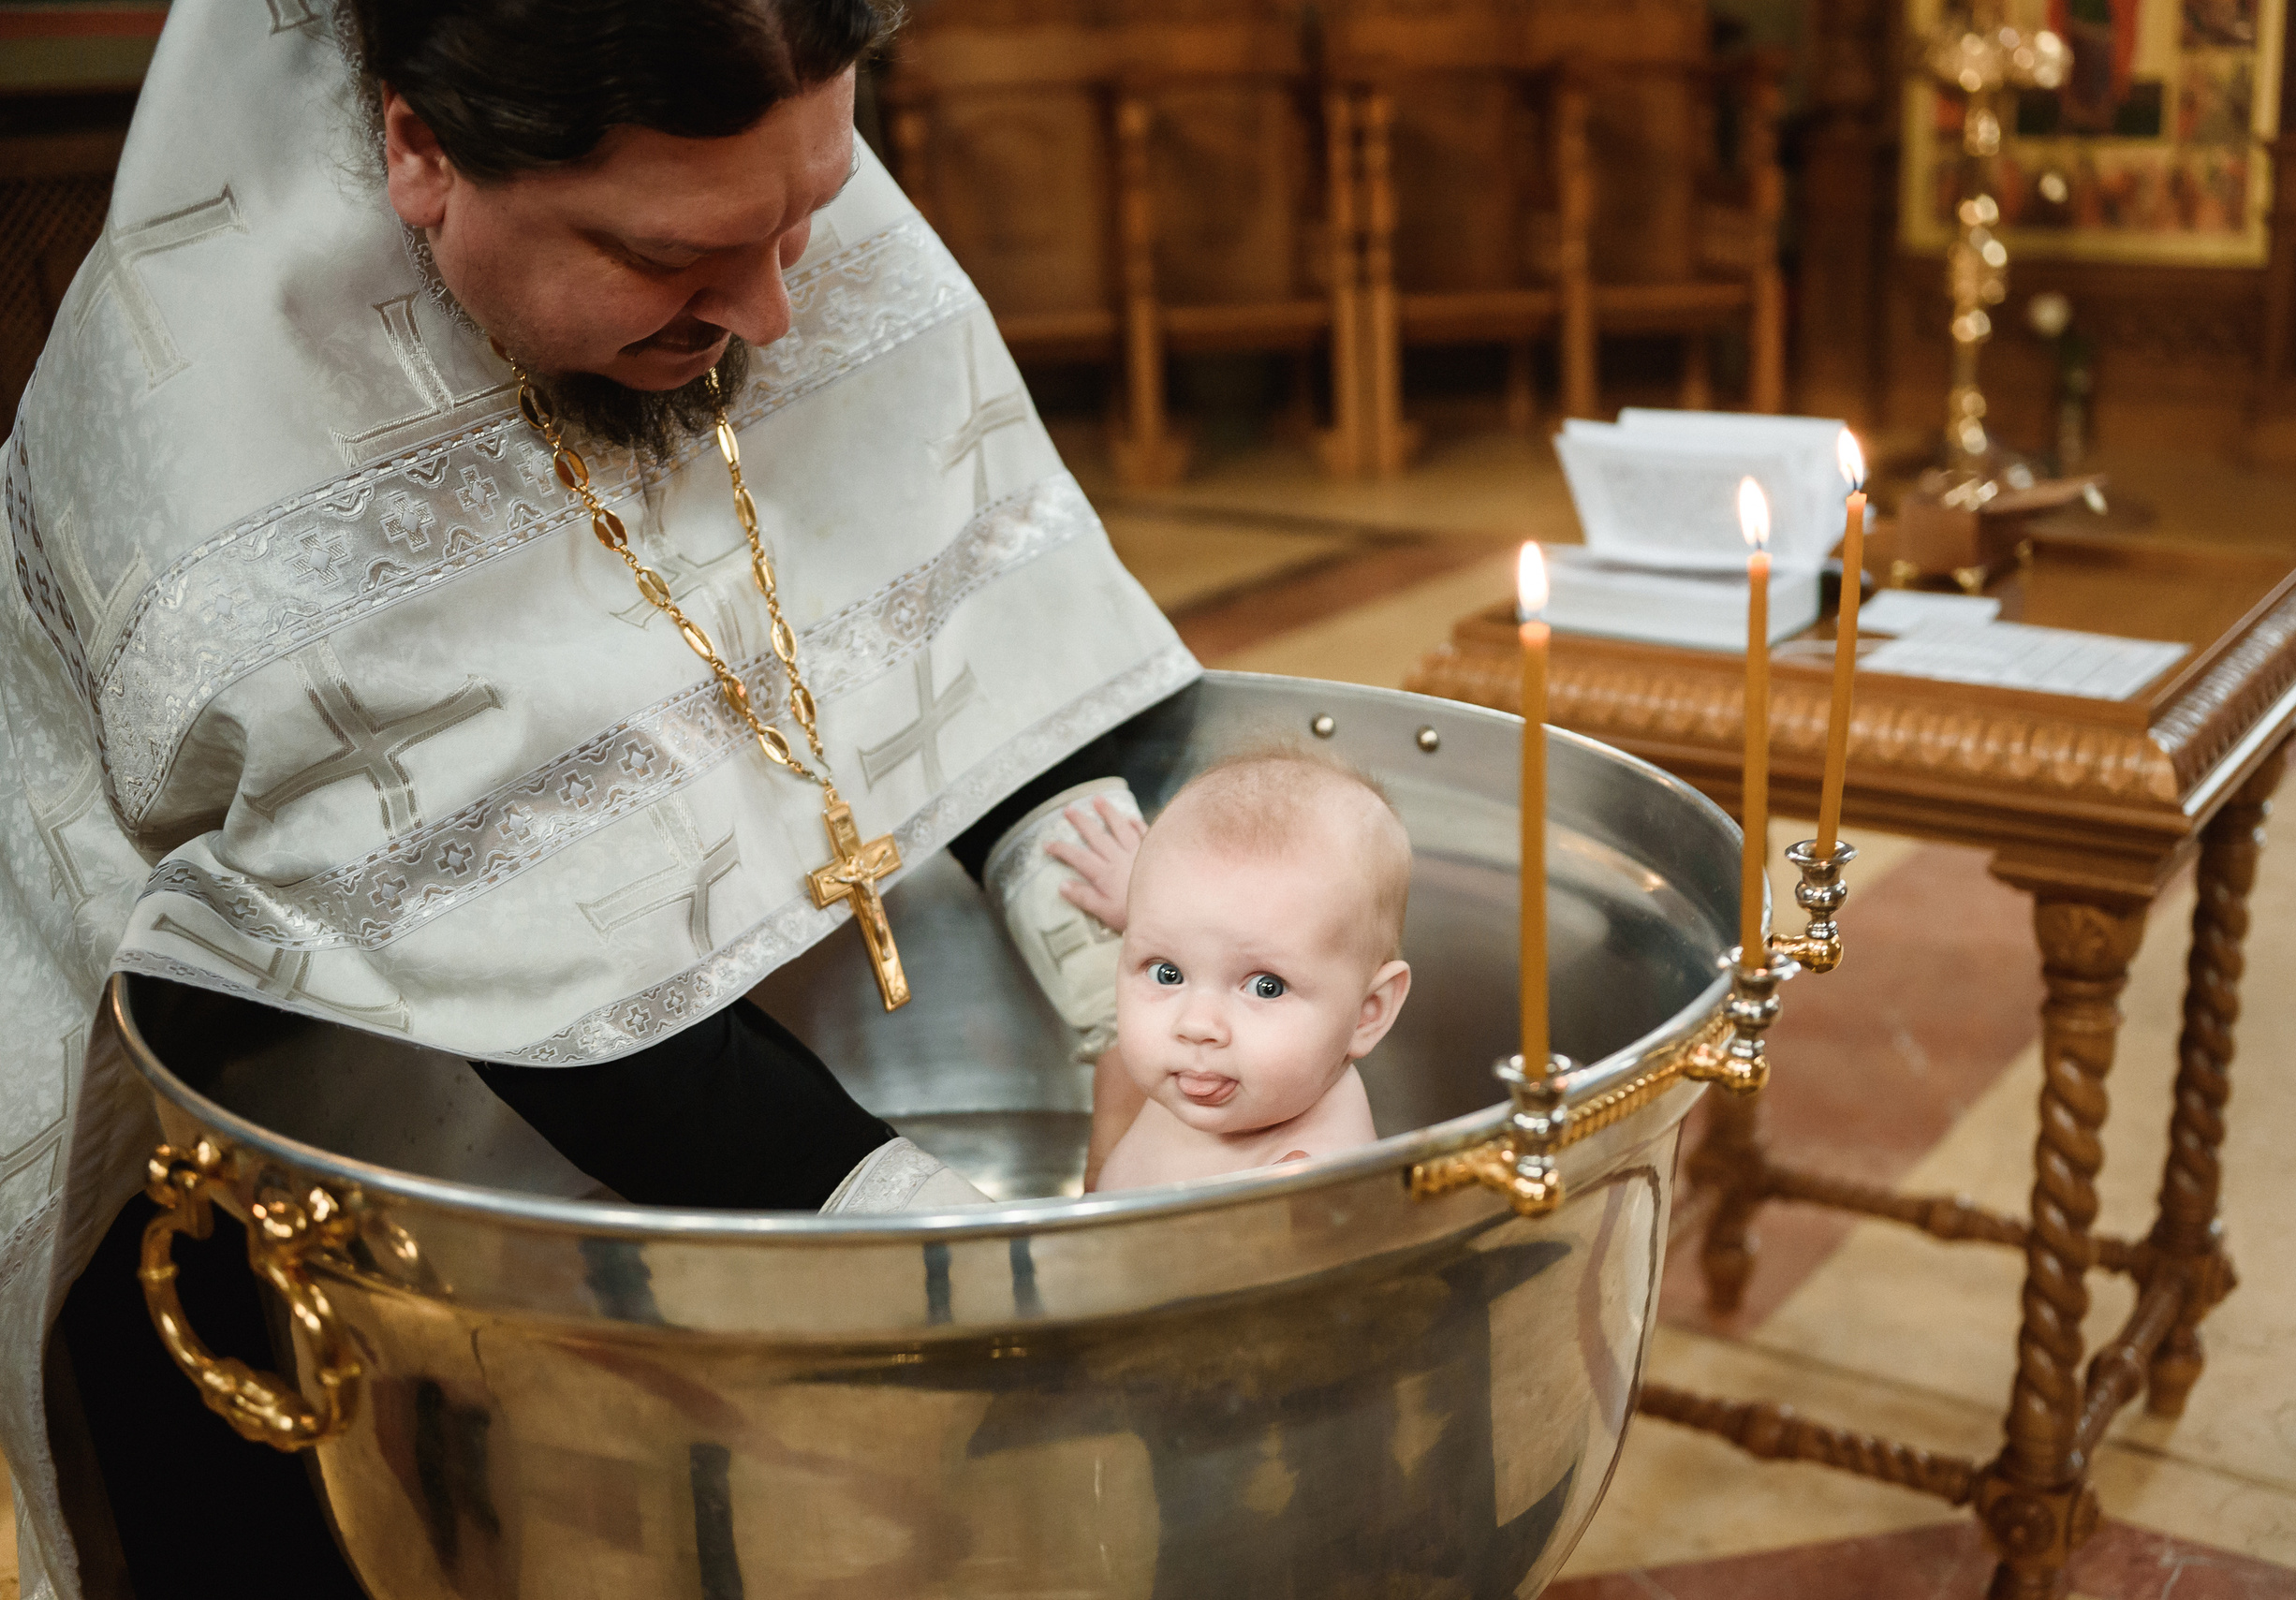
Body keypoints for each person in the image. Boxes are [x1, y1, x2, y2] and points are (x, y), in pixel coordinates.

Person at [0, 1, 1198, 1593]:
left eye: (810, 218)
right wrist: (941, 1239)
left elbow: (963, 562)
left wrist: (1141, 1008)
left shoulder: (735, 142)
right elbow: (495, 901)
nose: (774, 308)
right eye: (674, 255)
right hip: (273, 1149)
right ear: (421, 148)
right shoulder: (218, 397)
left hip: (702, 1061)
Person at [1041, 751, 1414, 1191]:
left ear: (1368, 1012)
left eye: (1265, 986)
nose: (1197, 1026)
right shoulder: (1225, 1072)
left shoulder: (1307, 1188)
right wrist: (1142, 899)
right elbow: (1221, 929)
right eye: (1167, 973)